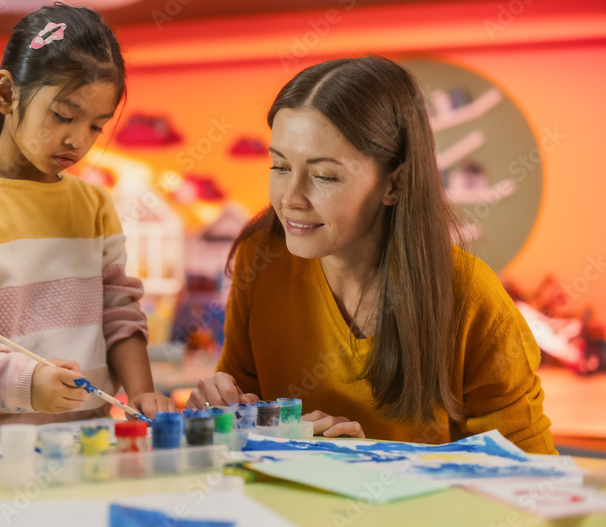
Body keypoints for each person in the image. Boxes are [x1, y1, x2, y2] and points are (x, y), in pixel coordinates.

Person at [187, 56, 556, 455]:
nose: (290, 199)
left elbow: (527, 475)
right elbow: (242, 422)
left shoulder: (471, 297)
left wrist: (369, 462)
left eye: (324, 175)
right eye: (279, 166)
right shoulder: (260, 259)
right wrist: (219, 414)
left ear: (395, 184)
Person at [0, 3, 176, 431]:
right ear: (6, 94)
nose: (78, 140)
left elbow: (119, 311)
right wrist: (24, 382)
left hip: (88, 433)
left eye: (96, 126)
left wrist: (142, 391)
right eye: (63, 116)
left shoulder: (94, 206)